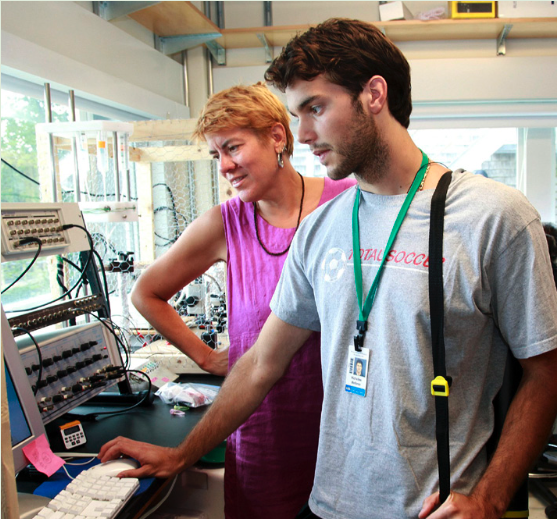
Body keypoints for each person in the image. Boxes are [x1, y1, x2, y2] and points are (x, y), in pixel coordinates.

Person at [100, 19, 557, 519]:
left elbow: (545, 370)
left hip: (434, 508)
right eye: (297, 114)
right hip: (330, 504)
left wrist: (490, 499)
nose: (303, 135)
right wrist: (182, 453)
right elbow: (259, 364)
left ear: (374, 95)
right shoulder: (324, 227)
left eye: (315, 108)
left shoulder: (494, 216)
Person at [127, 82, 355, 519]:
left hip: (343, 429)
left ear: (276, 136)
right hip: (263, 434)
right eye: (216, 155)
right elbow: (147, 294)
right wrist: (211, 359)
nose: (225, 166)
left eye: (233, 147)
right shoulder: (223, 224)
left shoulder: (345, 202)